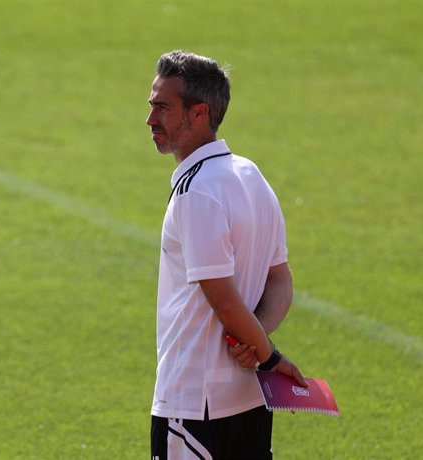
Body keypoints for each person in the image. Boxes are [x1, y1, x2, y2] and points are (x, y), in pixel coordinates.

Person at [147, 50, 307, 460]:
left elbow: (221, 296)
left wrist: (268, 355)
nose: (150, 120)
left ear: (200, 113)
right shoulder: (250, 175)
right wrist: (256, 341)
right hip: (249, 398)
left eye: (162, 108)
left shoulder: (196, 192)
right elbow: (280, 279)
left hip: (194, 403)